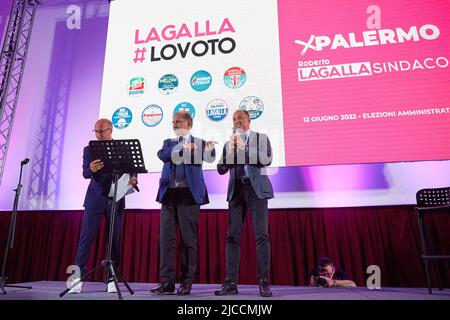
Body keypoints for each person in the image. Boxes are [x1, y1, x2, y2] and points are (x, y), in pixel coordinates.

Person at [69, 118, 138, 294]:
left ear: (110, 129)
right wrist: (91, 168)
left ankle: (111, 279)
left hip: (116, 197)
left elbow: (132, 169)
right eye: (96, 132)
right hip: (95, 198)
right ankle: (76, 279)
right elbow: (85, 172)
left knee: (114, 239)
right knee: (87, 237)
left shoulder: (123, 148)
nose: (98, 135)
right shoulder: (89, 149)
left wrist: (133, 178)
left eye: (101, 131)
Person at [151, 111, 216, 295]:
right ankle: (167, 282)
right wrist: (181, 149)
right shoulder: (169, 143)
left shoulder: (199, 142)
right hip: (169, 195)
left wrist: (208, 149)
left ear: (189, 124)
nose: (175, 125)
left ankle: (186, 281)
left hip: (189, 195)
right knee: (166, 240)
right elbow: (162, 154)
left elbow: (210, 156)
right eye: (173, 122)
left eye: (178, 122)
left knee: (188, 241)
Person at [214, 109, 274, 297]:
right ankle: (230, 282)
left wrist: (245, 148)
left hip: (256, 191)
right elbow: (221, 169)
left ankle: (263, 281)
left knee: (261, 236)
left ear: (249, 120)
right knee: (232, 237)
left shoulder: (261, 138)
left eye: (240, 118)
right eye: (233, 119)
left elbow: (267, 159)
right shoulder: (229, 142)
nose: (236, 121)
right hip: (236, 190)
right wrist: (231, 151)